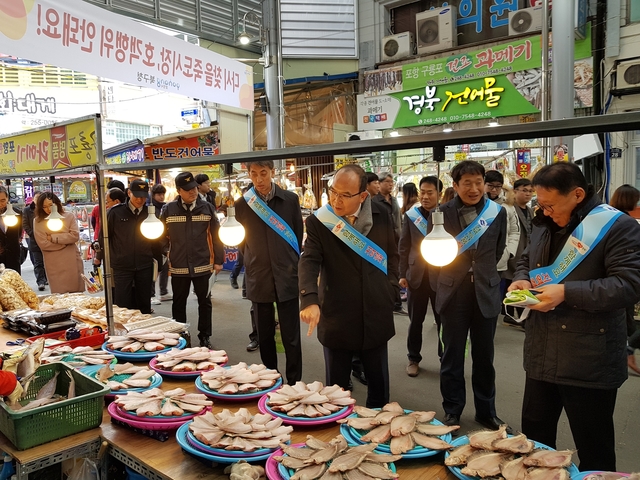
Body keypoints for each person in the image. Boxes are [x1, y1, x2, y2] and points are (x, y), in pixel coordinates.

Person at [509, 163, 640, 472]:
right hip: (541, 352)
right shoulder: (543, 220)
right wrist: (523, 278)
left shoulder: (616, 226)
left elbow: (629, 286)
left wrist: (567, 292)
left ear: (578, 194)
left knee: (594, 449)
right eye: (540, 204)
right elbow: (525, 258)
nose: (545, 210)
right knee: (535, 444)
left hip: (589, 358)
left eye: (551, 204)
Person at [299, 164, 399, 407]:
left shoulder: (381, 213)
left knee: (379, 387)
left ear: (363, 196)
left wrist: (391, 289)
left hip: (376, 310)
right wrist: (309, 299)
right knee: (336, 392)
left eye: (345, 195)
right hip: (337, 313)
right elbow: (309, 260)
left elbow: (392, 255)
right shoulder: (319, 221)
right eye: (333, 192)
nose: (336, 199)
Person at [428, 160, 509, 431]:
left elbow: (497, 252)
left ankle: (486, 411)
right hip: (454, 292)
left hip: (485, 290)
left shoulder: (497, 213)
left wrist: (482, 273)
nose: (474, 189)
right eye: (467, 184)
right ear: (455, 185)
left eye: (479, 183)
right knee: (452, 356)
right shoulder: (441, 212)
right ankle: (452, 410)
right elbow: (433, 252)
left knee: (485, 357)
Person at [235, 160, 304, 384]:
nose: (259, 180)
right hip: (259, 276)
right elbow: (241, 242)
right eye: (254, 174)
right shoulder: (243, 204)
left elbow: (296, 236)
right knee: (264, 335)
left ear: (272, 172)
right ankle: (271, 381)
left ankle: (294, 383)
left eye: (263, 173)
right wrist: (255, 259)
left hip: (287, 274)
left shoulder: (290, 200)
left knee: (291, 336)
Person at [160, 172, 224, 348]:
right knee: (178, 303)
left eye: (195, 188)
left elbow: (216, 236)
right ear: (179, 190)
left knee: (205, 302)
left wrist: (218, 260)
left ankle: (205, 336)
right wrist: (166, 251)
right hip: (179, 265)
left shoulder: (208, 208)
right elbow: (160, 235)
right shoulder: (169, 210)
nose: (193, 192)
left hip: (203, 263)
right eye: (188, 189)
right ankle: (181, 336)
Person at [399, 176, 443, 377]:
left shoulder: (446, 214)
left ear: (439, 194)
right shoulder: (411, 215)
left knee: (443, 320)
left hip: (441, 276)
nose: (425, 197)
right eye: (422, 192)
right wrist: (402, 273)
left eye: (430, 192)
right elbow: (404, 246)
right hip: (416, 275)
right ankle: (413, 358)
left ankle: (446, 358)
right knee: (415, 320)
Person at [100, 180, 163, 315]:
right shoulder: (115, 213)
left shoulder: (151, 214)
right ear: (129, 193)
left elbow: (157, 241)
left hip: (144, 264)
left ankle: (144, 332)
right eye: (137, 196)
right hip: (121, 265)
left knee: (144, 303)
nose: (140, 200)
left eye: (143, 196)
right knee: (122, 304)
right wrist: (101, 258)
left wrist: (159, 265)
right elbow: (104, 237)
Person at [609, 184, 640, 375]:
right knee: (625, 316)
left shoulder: (609, 217)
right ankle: (625, 352)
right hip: (622, 279)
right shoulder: (625, 222)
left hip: (616, 279)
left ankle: (625, 352)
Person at [33, 192, 84, 294]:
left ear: (57, 203)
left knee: (76, 294)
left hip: (71, 260)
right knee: (59, 295)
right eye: (44, 207)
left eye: (51, 205)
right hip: (53, 263)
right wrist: (65, 242)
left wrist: (53, 238)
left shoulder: (69, 216)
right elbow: (43, 244)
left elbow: (74, 236)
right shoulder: (38, 221)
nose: (48, 209)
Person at [484, 171, 520, 313]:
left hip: (500, 260)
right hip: (477, 260)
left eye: (498, 187)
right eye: (490, 186)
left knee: (495, 294)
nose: (494, 190)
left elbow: (515, 231)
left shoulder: (508, 207)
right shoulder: (476, 203)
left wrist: (509, 252)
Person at [373, 172, 406, 315]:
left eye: (392, 182)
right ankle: (390, 301)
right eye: (387, 182)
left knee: (395, 269)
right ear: (379, 184)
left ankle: (396, 301)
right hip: (382, 242)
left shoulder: (394, 200)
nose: (390, 184)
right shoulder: (375, 201)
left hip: (397, 240)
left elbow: (399, 219)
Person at [505, 178, 535, 323]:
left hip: (527, 251)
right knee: (511, 281)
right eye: (524, 190)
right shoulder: (509, 208)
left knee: (519, 281)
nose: (528, 194)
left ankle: (515, 314)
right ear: (515, 191)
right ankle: (511, 313)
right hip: (514, 251)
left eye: (530, 191)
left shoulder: (530, 211)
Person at [92, 188, 127, 272]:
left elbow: (104, 237)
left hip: (116, 258)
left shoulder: (110, 214)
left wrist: (98, 257)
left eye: (108, 202)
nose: (106, 205)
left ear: (117, 201)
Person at [23, 191, 47, 290]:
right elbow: (25, 224)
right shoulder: (27, 210)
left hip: (46, 239)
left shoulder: (45, 209)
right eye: (36, 198)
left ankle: (47, 278)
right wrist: (34, 234)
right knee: (38, 262)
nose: (38, 200)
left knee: (47, 261)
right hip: (34, 240)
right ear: (33, 199)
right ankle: (40, 281)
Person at [151, 183, 171, 303]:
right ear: (153, 195)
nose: (161, 197)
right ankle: (152, 294)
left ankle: (163, 292)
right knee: (154, 269)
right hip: (153, 242)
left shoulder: (166, 207)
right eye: (159, 194)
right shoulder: (150, 207)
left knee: (165, 267)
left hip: (165, 241)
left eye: (163, 194)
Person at [0, 186, 23, 274]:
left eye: (3, 200)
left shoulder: (17, 213)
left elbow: (19, 233)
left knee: (14, 283)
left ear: (7, 199)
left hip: (13, 255)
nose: (0, 204)